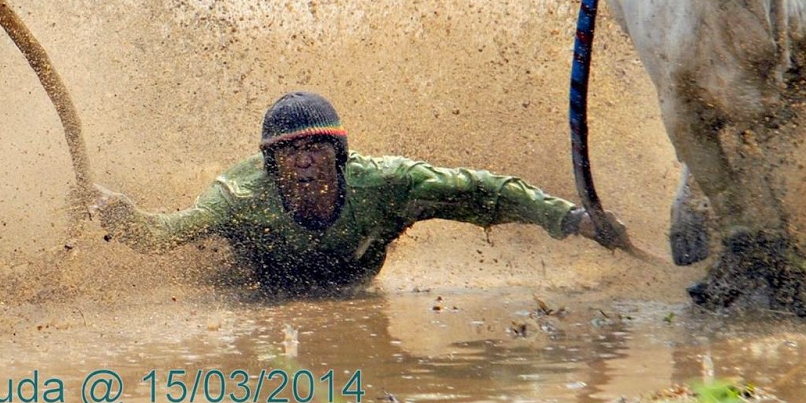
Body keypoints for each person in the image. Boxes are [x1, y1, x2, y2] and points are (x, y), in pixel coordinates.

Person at [92, 91, 616, 293]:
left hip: (353, 279)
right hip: (261, 283)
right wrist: (116, 215)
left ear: (339, 155)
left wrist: (573, 220)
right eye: (290, 151)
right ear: (270, 163)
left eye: (318, 148)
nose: (304, 160)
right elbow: (166, 233)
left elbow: (486, 193)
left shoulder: (387, 186)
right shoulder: (239, 196)